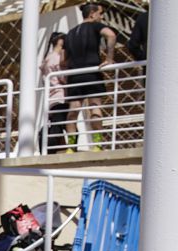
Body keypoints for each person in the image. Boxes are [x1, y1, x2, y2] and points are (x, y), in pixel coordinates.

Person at [64, 3, 117, 152]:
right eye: (100, 13)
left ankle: (71, 147)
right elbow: (111, 35)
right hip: (92, 72)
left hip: (74, 75)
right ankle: (97, 144)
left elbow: (64, 59)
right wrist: (109, 58)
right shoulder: (95, 26)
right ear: (92, 14)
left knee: (73, 109)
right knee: (95, 107)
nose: (102, 17)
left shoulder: (70, 33)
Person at [41, 32, 70, 153]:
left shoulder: (46, 59)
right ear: (60, 42)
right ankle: (68, 148)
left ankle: (57, 148)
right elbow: (63, 77)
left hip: (51, 97)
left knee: (57, 123)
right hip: (60, 95)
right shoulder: (57, 58)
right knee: (65, 123)